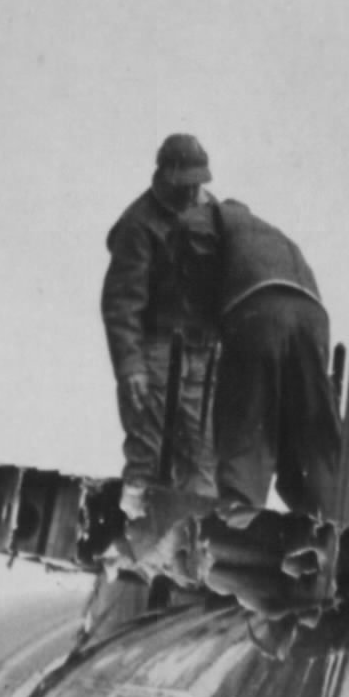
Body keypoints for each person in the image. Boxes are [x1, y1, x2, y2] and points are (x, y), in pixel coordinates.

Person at [203, 189, 344, 520]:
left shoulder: (214, 224)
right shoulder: (271, 233)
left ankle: (239, 508)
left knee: (247, 409)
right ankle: (330, 514)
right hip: (313, 314)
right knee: (311, 425)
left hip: (257, 305)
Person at [102, 135, 226, 493]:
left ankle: (194, 547)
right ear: (166, 176)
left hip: (202, 358)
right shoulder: (138, 224)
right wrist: (131, 367)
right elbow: (121, 303)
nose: (193, 192)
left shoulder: (210, 213)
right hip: (155, 356)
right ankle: (135, 543)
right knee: (148, 460)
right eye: (186, 182)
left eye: (198, 182)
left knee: (203, 463)